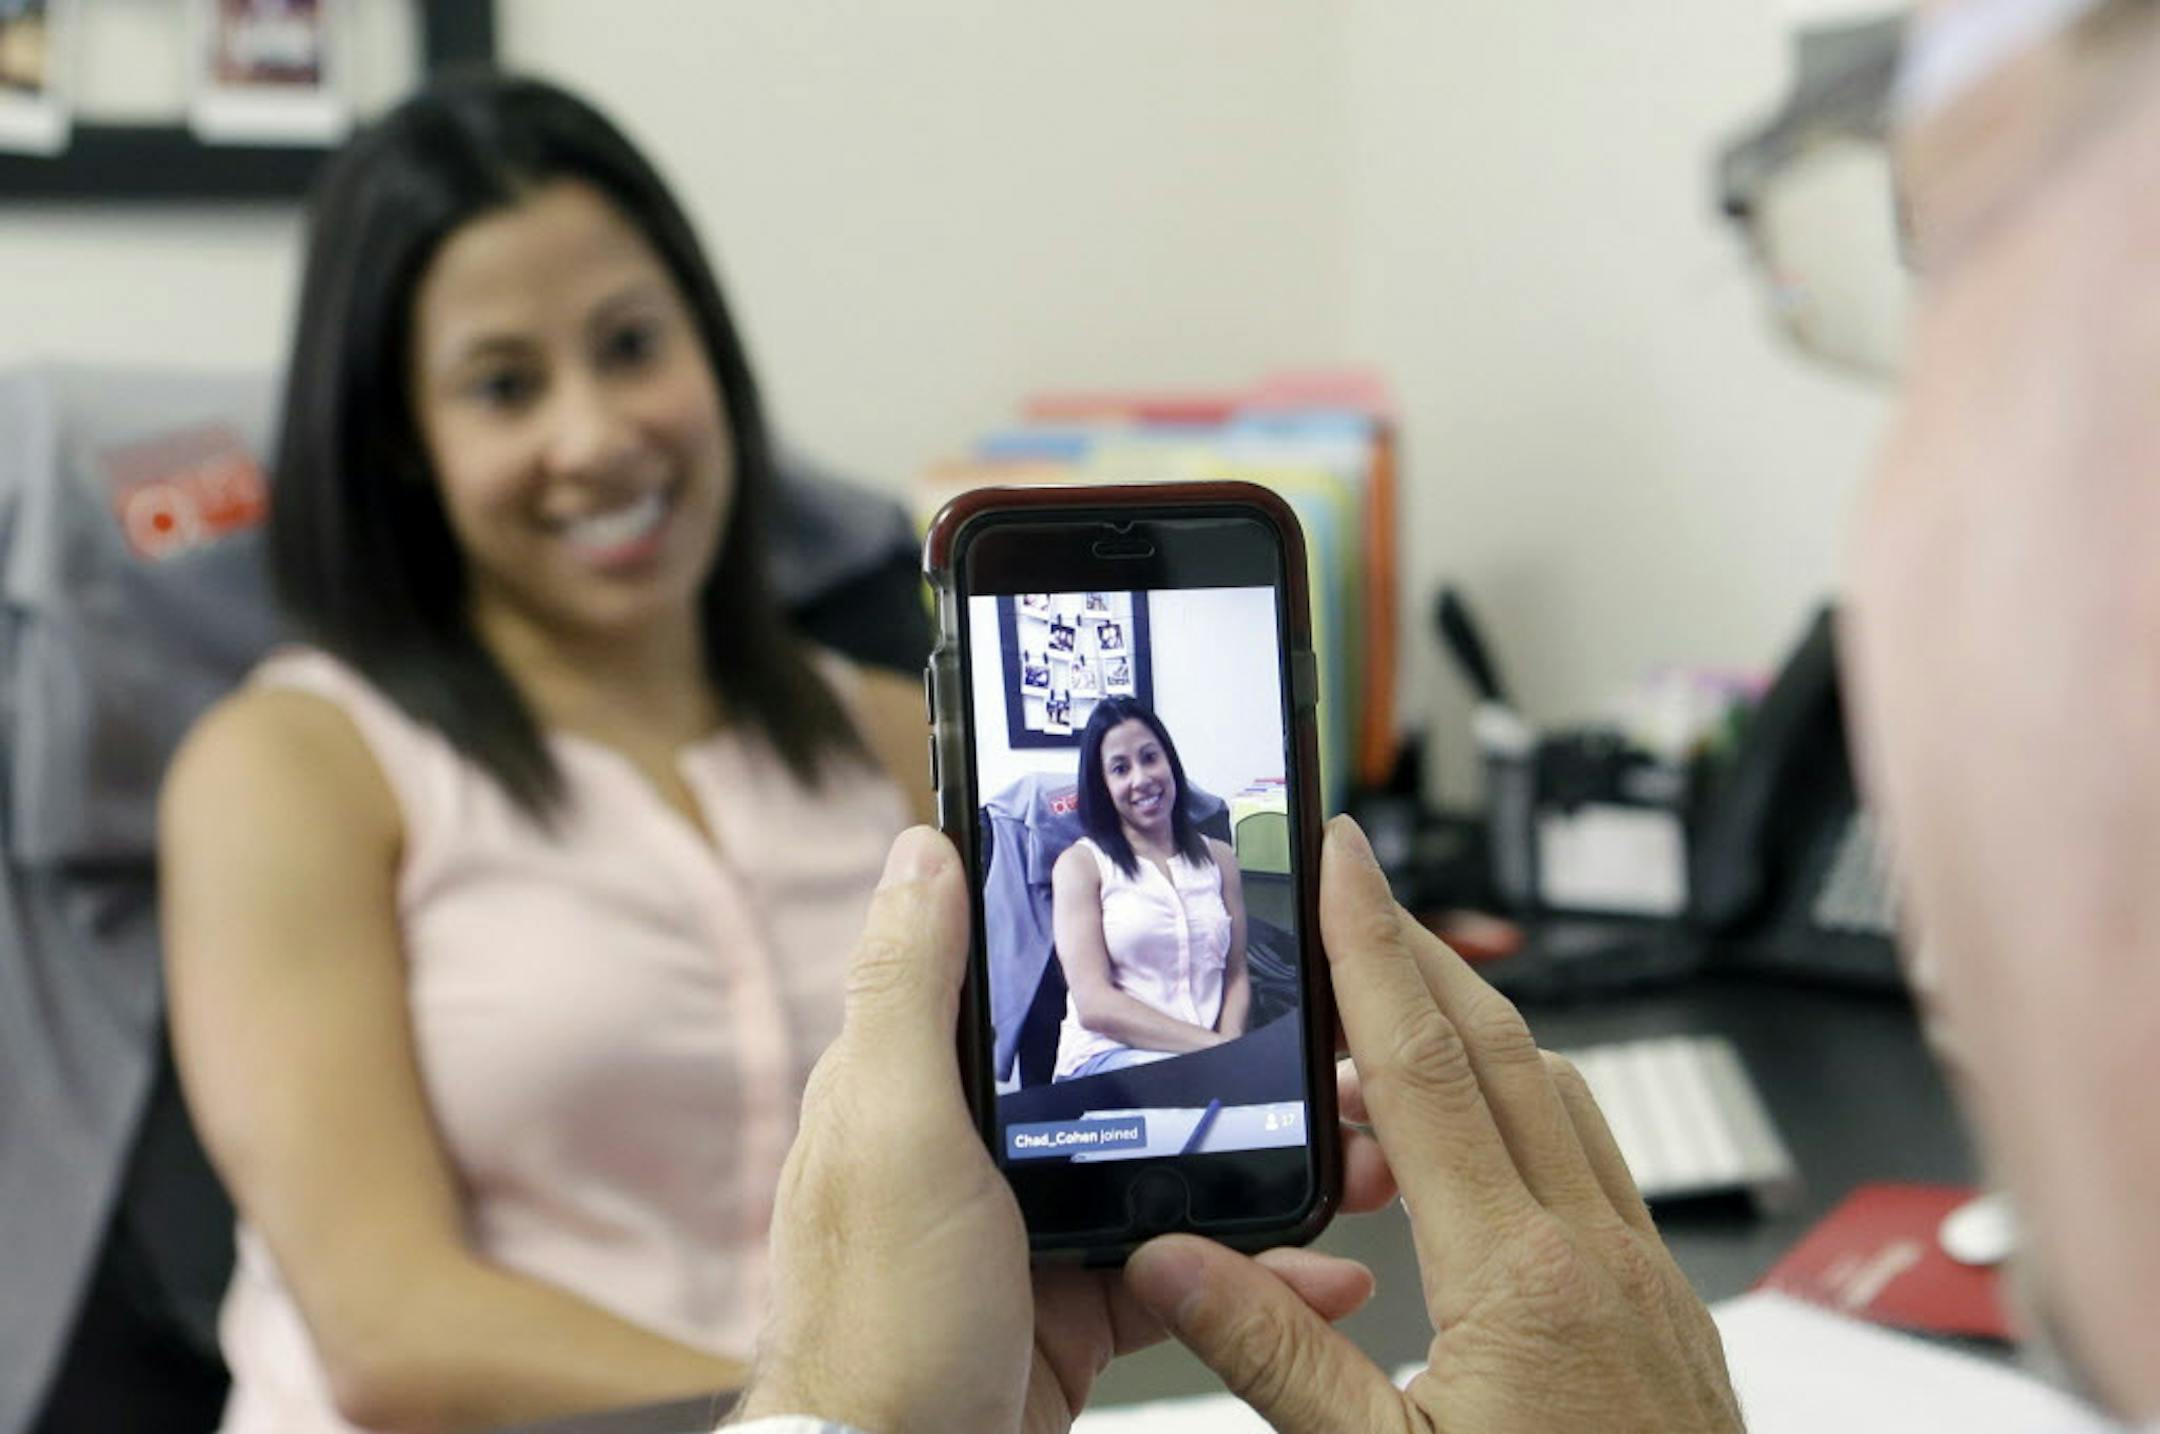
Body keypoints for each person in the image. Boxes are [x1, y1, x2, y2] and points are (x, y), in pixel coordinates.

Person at [733, 1, 2160, 1430]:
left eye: (1941, 266)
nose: (1885, 538)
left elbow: (1234, 999)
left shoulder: (1221, 848)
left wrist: (830, 1411)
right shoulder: (1080, 865)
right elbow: (1113, 1005)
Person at [159, 74, 931, 1432]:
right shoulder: (288, 769)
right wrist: (822, 1415)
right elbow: (390, 1328)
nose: (598, 436)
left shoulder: (899, 737)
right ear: (403, 441)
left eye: (632, 345)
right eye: (505, 386)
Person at [1051, 698, 1251, 1080]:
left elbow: (1236, 972)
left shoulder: (1221, 859)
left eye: (1149, 757)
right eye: (1120, 768)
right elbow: (1094, 1004)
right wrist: (1217, 1052)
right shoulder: (1080, 866)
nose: (1141, 779)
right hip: (1106, 1059)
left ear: (1169, 762)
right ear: (1103, 785)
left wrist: (1230, 1048)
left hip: (1203, 1063)